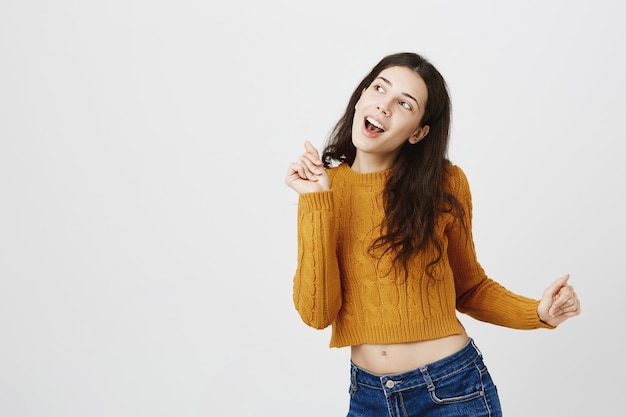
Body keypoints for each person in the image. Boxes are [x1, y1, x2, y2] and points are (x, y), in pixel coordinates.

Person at [284, 51, 581, 417]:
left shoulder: (444, 184)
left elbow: (470, 288)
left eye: (404, 104)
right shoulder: (324, 191)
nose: (384, 106)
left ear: (419, 132)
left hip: (452, 389)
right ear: (361, 96)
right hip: (368, 397)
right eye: (379, 88)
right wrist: (315, 201)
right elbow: (316, 314)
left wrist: (538, 312)